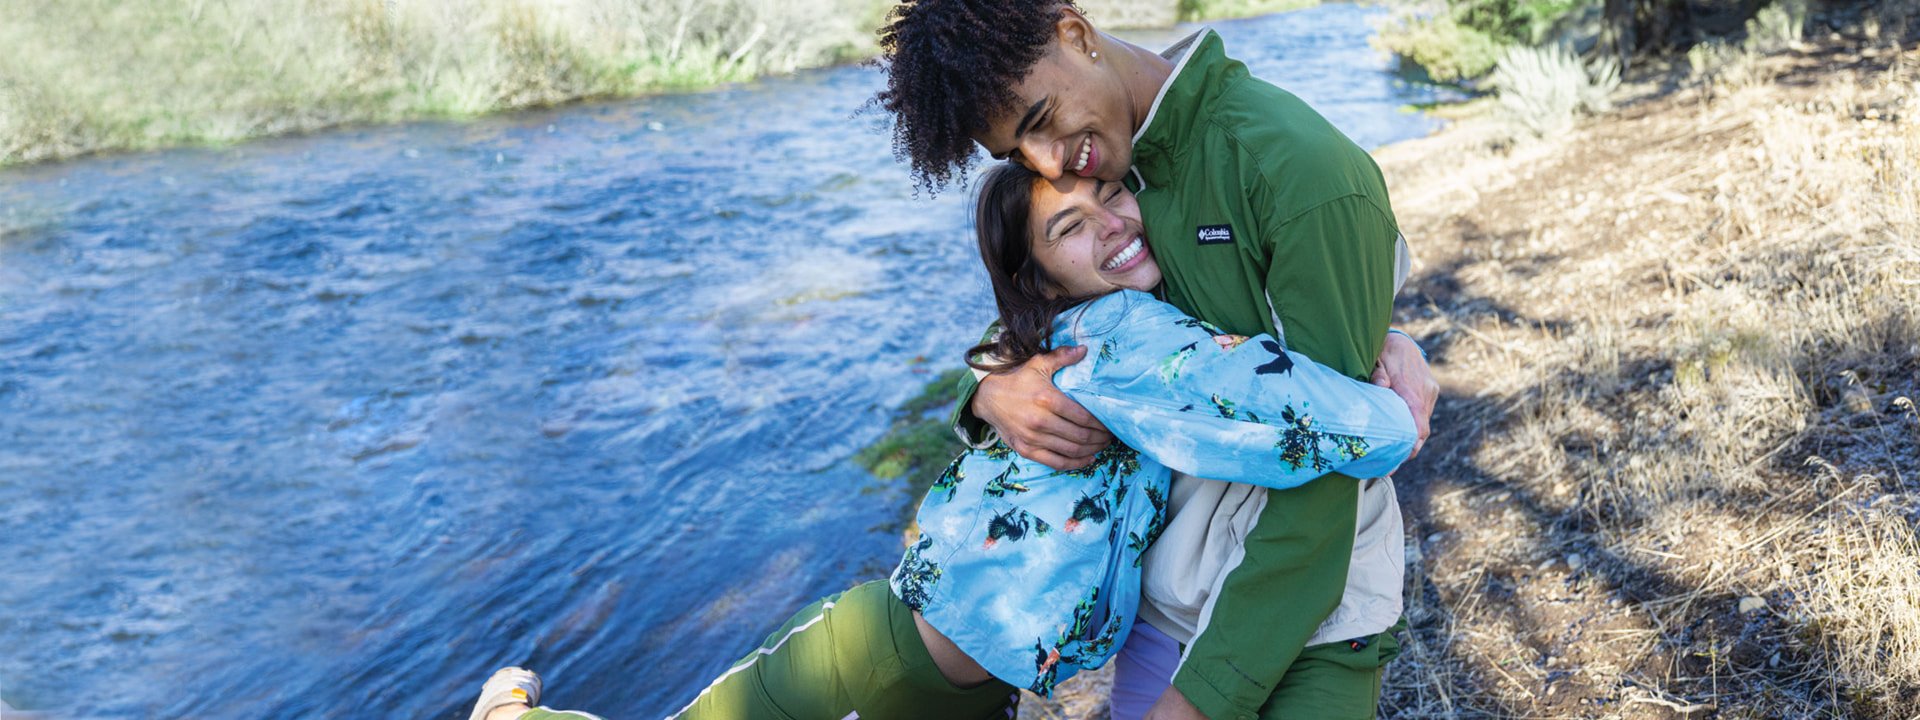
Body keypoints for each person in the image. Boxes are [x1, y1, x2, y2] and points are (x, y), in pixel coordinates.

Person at [466, 166, 1429, 720]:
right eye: (1071, 225)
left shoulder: (1121, 323)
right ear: (1041, 276)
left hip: (970, 676)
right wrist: (1398, 416)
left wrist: (1397, 339)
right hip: (889, 652)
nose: (1114, 225)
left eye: (1112, 195)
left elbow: (1242, 357)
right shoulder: (1121, 340)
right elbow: (1279, 413)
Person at [873, 1, 1438, 718]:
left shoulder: (1294, 170)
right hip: (1162, 607)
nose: (1047, 162)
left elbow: (1321, 467)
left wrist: (1202, 697)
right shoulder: (1116, 159)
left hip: (1307, 620)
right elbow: (1055, 306)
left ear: (1075, 35)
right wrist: (989, 390)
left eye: (1042, 118)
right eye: (1018, 153)